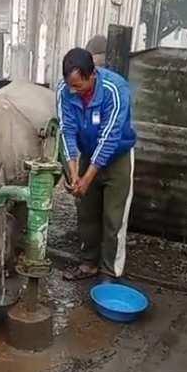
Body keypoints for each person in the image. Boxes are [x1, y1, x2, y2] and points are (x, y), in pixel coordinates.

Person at [57, 47, 136, 280]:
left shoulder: (115, 89)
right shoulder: (65, 90)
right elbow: (67, 131)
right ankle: (88, 263)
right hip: (87, 154)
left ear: (92, 75)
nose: (73, 90)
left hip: (118, 157)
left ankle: (110, 273)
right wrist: (74, 174)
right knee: (87, 213)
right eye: (69, 85)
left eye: (78, 85)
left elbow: (109, 137)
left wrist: (87, 178)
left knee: (114, 218)